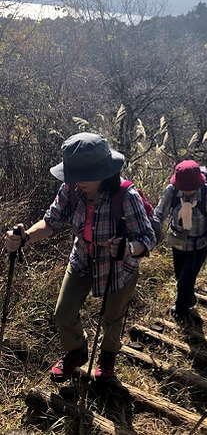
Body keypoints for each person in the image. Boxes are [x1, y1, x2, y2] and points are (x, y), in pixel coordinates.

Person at [5, 133, 156, 382]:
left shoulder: (126, 196)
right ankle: (76, 351)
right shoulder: (72, 189)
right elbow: (50, 221)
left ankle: (107, 359)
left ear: (104, 172)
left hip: (118, 267)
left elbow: (148, 238)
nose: (76, 182)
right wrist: (24, 238)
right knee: (63, 313)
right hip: (83, 258)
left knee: (112, 318)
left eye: (83, 177)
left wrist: (128, 248)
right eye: (73, 176)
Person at [152, 160, 207, 322]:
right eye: (184, 188)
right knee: (180, 277)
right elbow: (159, 213)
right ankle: (189, 298)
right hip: (178, 242)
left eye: (190, 188)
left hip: (200, 245)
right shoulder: (172, 191)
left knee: (185, 279)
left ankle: (180, 310)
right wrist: (152, 231)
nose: (187, 192)